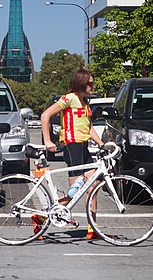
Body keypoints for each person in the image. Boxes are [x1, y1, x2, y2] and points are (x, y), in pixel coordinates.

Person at [40, 67, 104, 240]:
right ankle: (42, 216)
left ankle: (93, 227)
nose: (92, 86)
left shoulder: (84, 103)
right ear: (81, 83)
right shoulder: (69, 99)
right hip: (72, 145)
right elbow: (45, 116)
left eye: (92, 82)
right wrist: (48, 141)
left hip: (83, 146)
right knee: (75, 191)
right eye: (89, 83)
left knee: (94, 185)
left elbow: (88, 126)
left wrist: (101, 143)